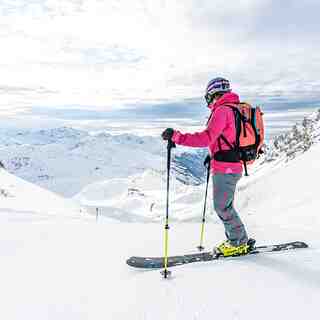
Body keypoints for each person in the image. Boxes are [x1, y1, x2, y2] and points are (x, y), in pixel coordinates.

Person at [161, 77, 252, 257]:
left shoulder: (222, 110)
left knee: (222, 207)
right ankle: (236, 239)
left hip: (226, 167)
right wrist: (214, 156)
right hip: (230, 164)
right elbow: (227, 139)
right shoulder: (235, 109)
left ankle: (238, 242)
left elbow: (206, 138)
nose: (207, 101)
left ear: (212, 94)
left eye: (207, 97)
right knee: (225, 205)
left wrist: (177, 137)